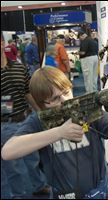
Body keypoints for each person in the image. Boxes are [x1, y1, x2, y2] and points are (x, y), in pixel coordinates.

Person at [1, 67, 108, 199]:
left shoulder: (86, 108)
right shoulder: (38, 121)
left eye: (66, 92)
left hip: (98, 192)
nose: (65, 100)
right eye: (55, 99)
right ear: (42, 104)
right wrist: (59, 132)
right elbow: (8, 152)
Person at [1, 31, 50, 198]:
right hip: (5, 124)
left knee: (33, 156)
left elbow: (28, 92)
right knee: (11, 165)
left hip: (26, 118)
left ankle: (39, 185)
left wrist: (41, 112)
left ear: (2, 44)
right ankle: (18, 195)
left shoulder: (19, 67)